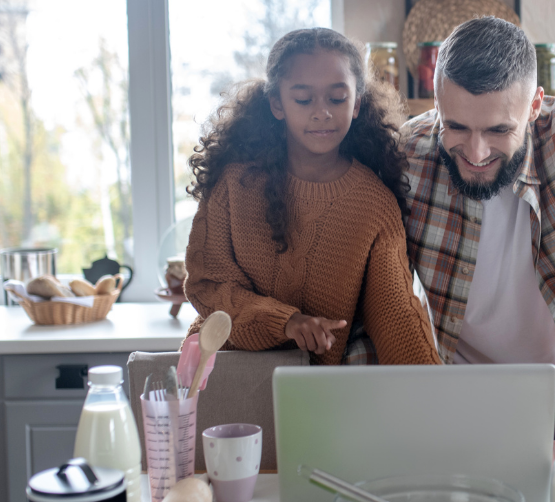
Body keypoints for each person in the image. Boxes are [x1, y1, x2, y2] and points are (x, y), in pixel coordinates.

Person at [400, 16, 555, 441]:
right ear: (436, 104)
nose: (475, 152)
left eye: (498, 130)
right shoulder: (408, 156)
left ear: (534, 107)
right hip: (444, 386)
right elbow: (383, 298)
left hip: (549, 391)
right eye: (455, 126)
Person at [182, 28, 441, 366]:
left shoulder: (374, 204)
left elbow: (395, 313)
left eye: (337, 98)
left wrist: (437, 394)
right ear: (277, 104)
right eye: (303, 100)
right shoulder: (235, 182)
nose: (322, 112)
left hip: (311, 391)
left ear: (357, 103)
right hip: (221, 375)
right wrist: (285, 322)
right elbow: (207, 284)